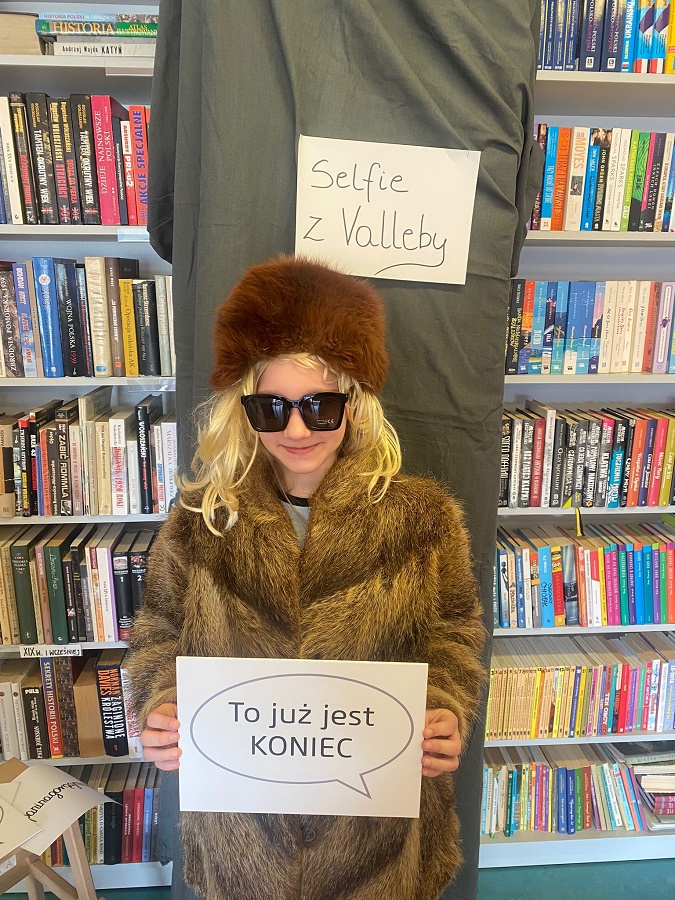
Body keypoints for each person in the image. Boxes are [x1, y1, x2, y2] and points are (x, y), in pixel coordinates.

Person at [127, 255, 487, 900]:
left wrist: (444, 708)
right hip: (242, 836)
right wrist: (161, 706)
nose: (296, 429)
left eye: (319, 407)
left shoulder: (423, 519)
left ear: (355, 406)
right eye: (272, 408)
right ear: (243, 411)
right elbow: (157, 632)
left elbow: (454, 633)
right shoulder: (199, 522)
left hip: (375, 839)